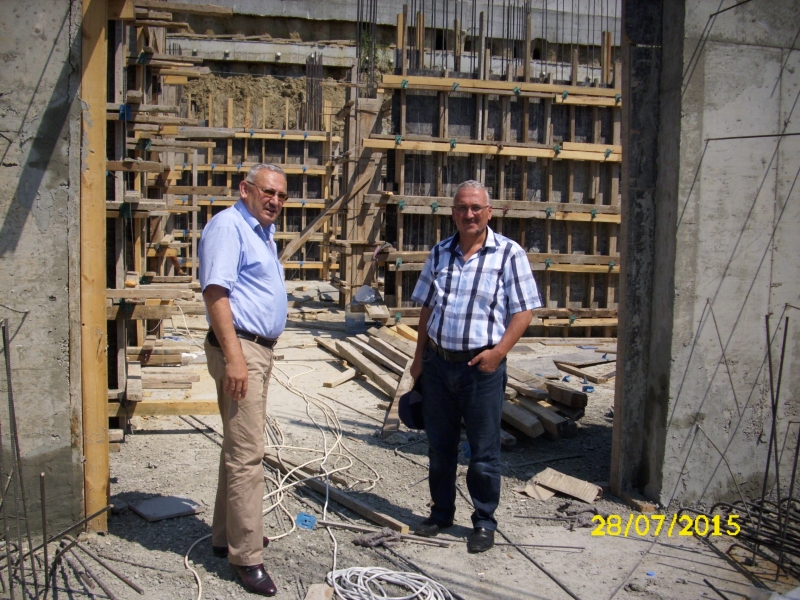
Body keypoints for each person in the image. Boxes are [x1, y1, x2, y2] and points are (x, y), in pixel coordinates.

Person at [409, 180, 541, 553]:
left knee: (483, 452)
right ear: (453, 212)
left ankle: (483, 521)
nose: (468, 214)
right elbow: (427, 308)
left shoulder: (509, 254)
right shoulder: (439, 253)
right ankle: (441, 513)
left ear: (489, 212)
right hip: (438, 365)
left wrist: (498, 353)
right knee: (440, 447)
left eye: (476, 208)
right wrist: (419, 360)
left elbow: (524, 310)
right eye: (461, 208)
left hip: (481, 368)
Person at [199, 163, 289, 596]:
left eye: (281, 196)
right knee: (248, 455)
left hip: (256, 350)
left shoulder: (258, 232)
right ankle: (247, 555)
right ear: (246, 189)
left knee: (238, 448)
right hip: (242, 350)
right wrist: (235, 358)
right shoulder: (228, 226)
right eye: (268, 192)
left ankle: (226, 536)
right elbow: (216, 292)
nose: (275, 200)